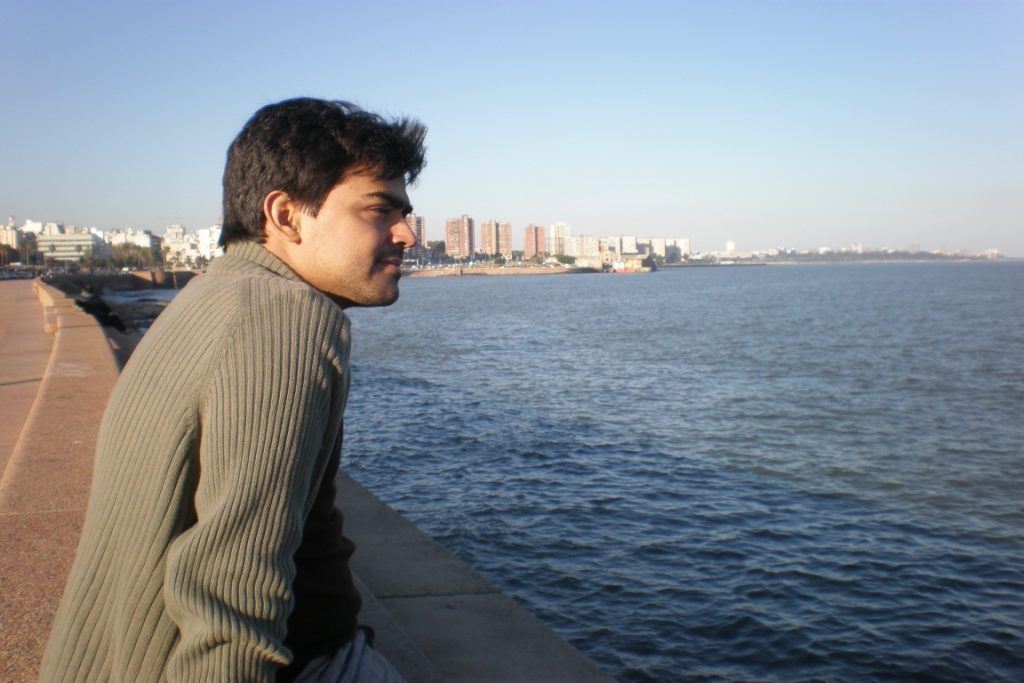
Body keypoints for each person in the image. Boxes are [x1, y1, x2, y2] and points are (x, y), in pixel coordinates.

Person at [39, 98, 426, 682]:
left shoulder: (215, 293)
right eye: (380, 210)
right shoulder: (285, 317)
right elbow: (231, 591)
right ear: (286, 215)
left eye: (405, 212)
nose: (407, 234)